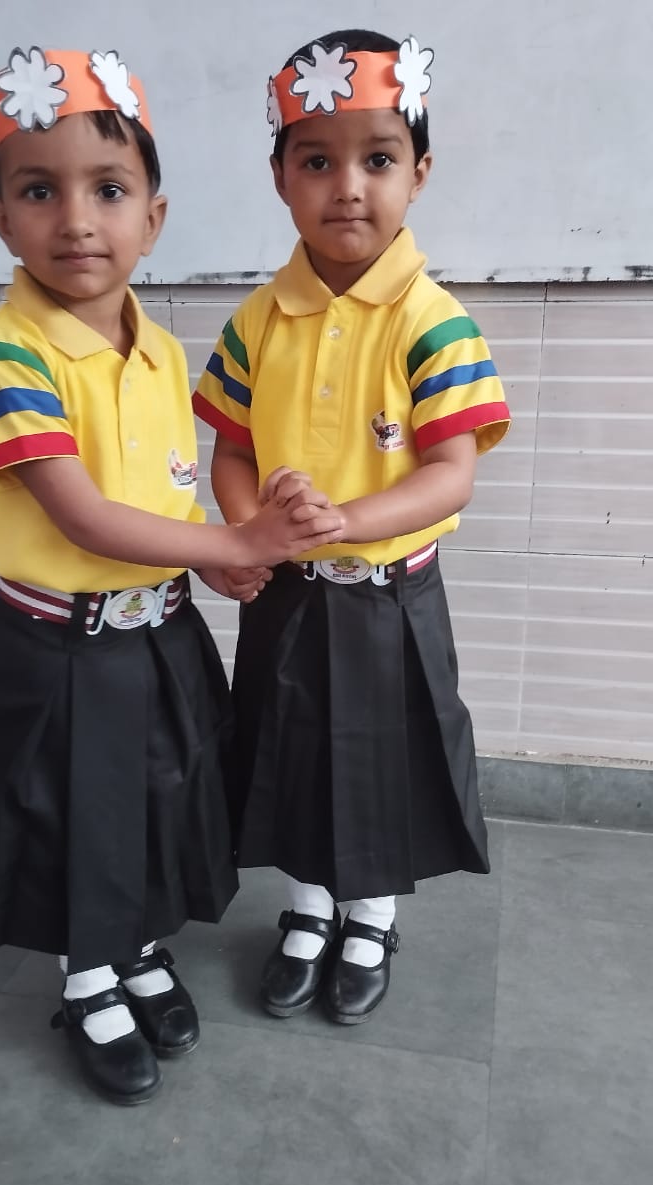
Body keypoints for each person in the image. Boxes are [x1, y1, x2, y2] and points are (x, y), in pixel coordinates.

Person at [0, 45, 343, 1104]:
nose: (78, 220)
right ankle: (89, 978)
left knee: (161, 794)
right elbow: (81, 514)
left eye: (110, 190)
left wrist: (214, 565)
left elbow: (165, 502)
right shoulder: (5, 358)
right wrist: (241, 545)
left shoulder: (164, 353)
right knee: (75, 809)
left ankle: (137, 947)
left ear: (153, 218)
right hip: (60, 646)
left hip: (160, 629)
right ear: (0, 219)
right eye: (40, 190)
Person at [192, 29, 511, 1025]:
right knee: (288, 752)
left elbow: (450, 475)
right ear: (280, 176)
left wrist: (347, 519)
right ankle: (305, 908)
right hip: (288, 594)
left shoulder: (434, 321)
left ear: (419, 172)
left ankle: (369, 918)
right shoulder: (256, 321)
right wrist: (247, 532)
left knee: (380, 762)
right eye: (317, 161)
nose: (348, 187)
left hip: (387, 599)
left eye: (377, 158)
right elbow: (232, 449)